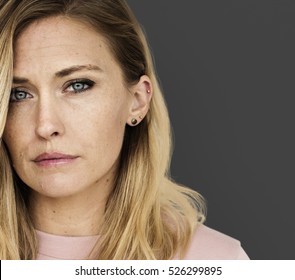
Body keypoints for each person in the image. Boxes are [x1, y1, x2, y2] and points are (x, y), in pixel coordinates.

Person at [0, 0, 249, 260]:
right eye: (18, 94)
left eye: (77, 85)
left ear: (138, 100)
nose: (46, 125)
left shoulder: (215, 261)